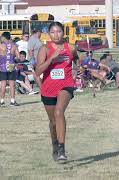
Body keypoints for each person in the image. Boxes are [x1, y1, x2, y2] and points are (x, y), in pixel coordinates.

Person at [35, 22, 79, 161]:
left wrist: (77, 70)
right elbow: (38, 71)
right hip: (48, 88)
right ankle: (55, 144)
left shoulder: (70, 48)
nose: (56, 35)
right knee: (53, 121)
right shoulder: (45, 49)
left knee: (59, 112)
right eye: (53, 32)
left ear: (63, 32)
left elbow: (77, 60)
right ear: (49, 34)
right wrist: (52, 58)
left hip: (66, 85)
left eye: (59, 31)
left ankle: (61, 148)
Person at [0, 32, 20, 107]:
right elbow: (18, 57)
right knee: (12, 85)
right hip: (11, 67)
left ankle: (2, 101)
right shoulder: (14, 46)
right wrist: (12, 58)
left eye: (1, 37)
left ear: (4, 37)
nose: (1, 38)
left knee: (3, 85)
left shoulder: (0, 46)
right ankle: (12, 101)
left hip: (3, 67)